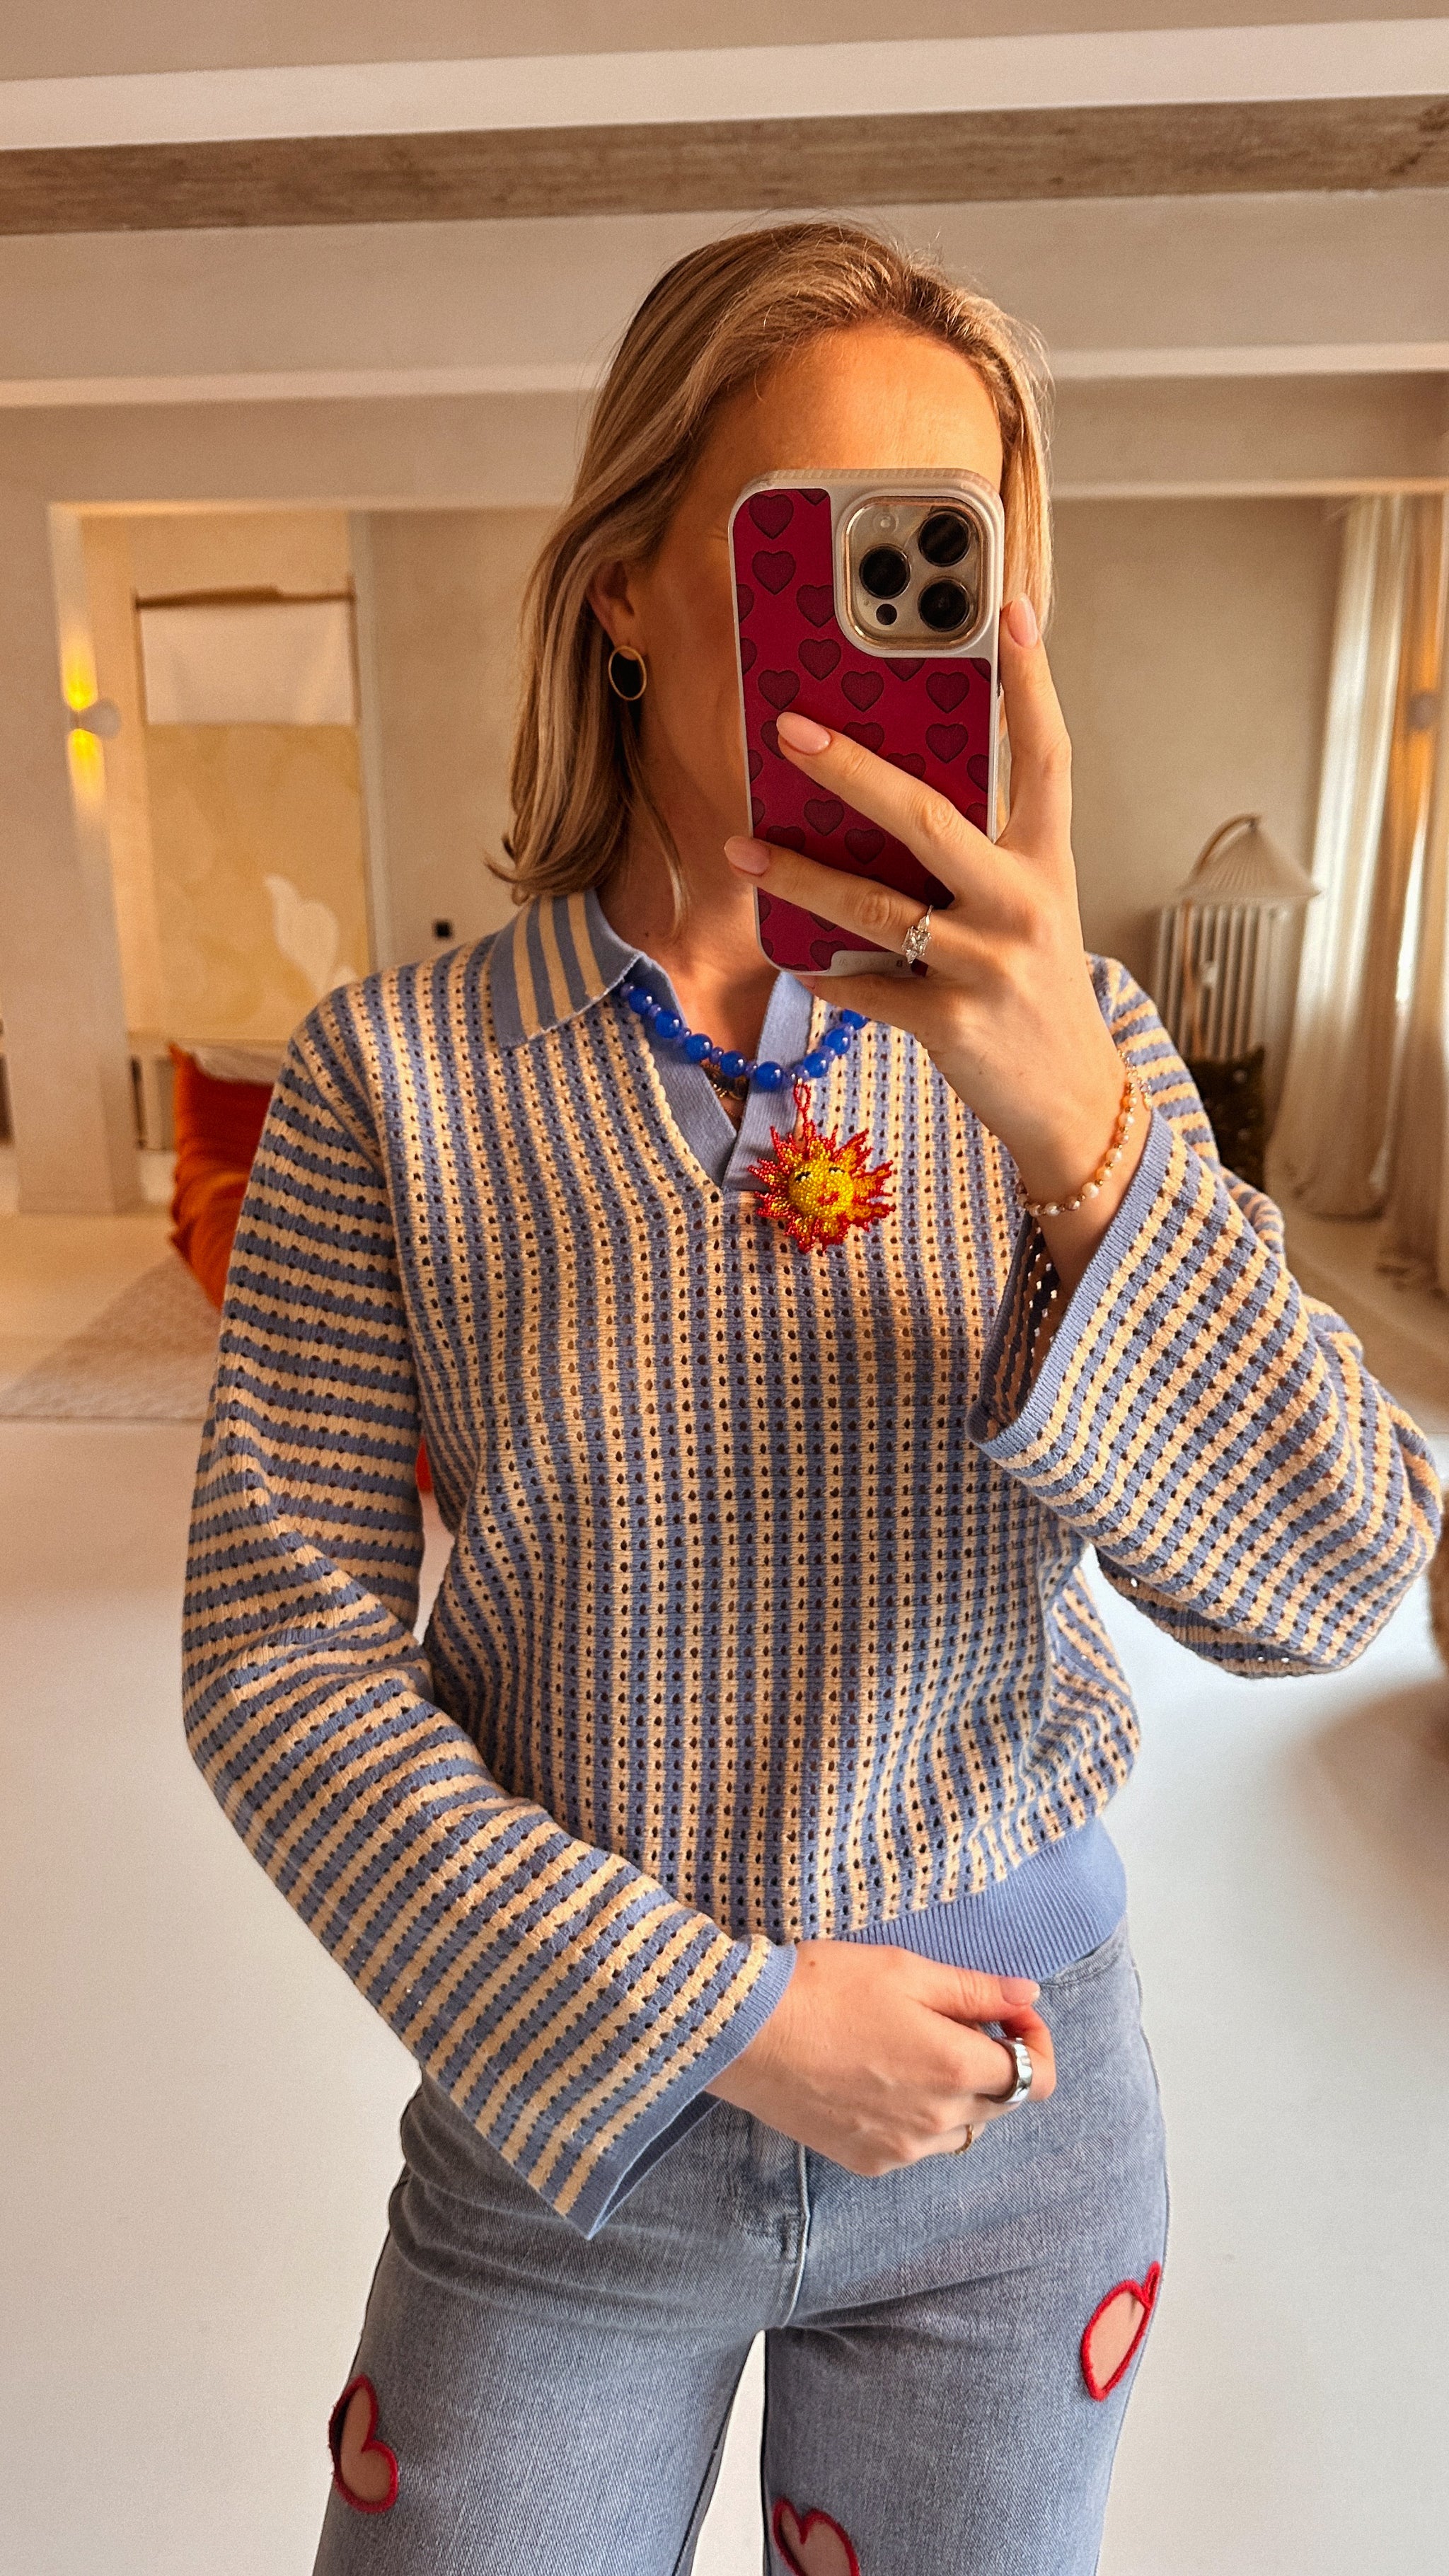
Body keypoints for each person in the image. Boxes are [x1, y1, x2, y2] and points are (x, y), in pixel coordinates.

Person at [181, 223, 1438, 2576]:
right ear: (628, 583)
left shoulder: (1083, 1056)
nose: (880, 629)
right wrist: (723, 2013)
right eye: (816, 545)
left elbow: (1336, 1575)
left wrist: (1078, 1130)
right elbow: (278, 1665)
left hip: (1017, 2142)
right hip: (567, 2126)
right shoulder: (394, 1082)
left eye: (940, 560)